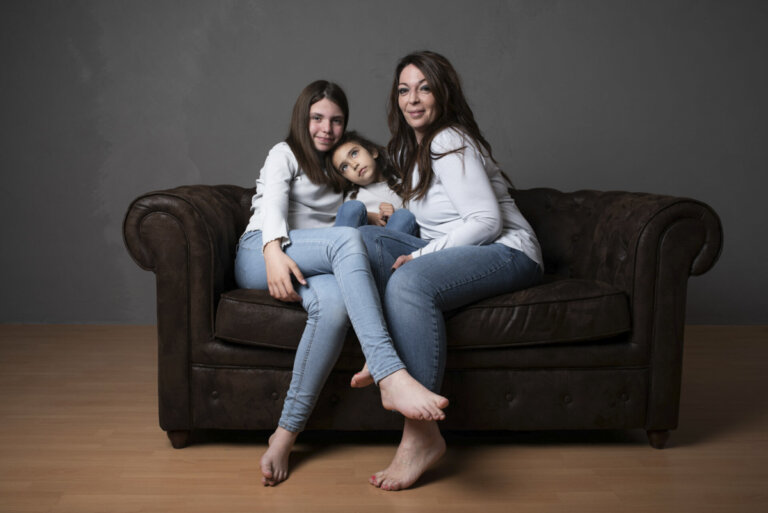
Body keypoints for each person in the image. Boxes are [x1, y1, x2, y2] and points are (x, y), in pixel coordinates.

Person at [234, 80, 449, 487]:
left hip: (313, 262)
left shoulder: (338, 169)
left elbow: (343, 220)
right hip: (262, 252)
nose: (326, 129)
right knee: (348, 241)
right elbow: (274, 204)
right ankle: (389, 372)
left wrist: (375, 216)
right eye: (317, 118)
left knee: (333, 308)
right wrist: (272, 250)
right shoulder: (285, 154)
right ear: (303, 118)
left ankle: (284, 434)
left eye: (336, 121)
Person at [357, 51, 544, 491]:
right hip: (468, 249)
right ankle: (382, 353)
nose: (413, 99)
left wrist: (420, 258)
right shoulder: (412, 147)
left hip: (509, 251)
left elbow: (485, 222)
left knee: (408, 283)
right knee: (360, 243)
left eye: (424, 88)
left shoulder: (448, 139)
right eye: (404, 90)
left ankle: (421, 437)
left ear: (443, 93)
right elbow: (434, 221)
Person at [330, 131, 418, 236]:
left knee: (403, 216)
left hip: (395, 243)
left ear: (372, 152)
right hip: (364, 245)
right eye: (344, 167)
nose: (354, 165)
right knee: (352, 208)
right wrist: (368, 217)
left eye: (354, 153)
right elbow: (349, 220)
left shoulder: (403, 184)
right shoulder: (353, 198)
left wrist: (393, 216)